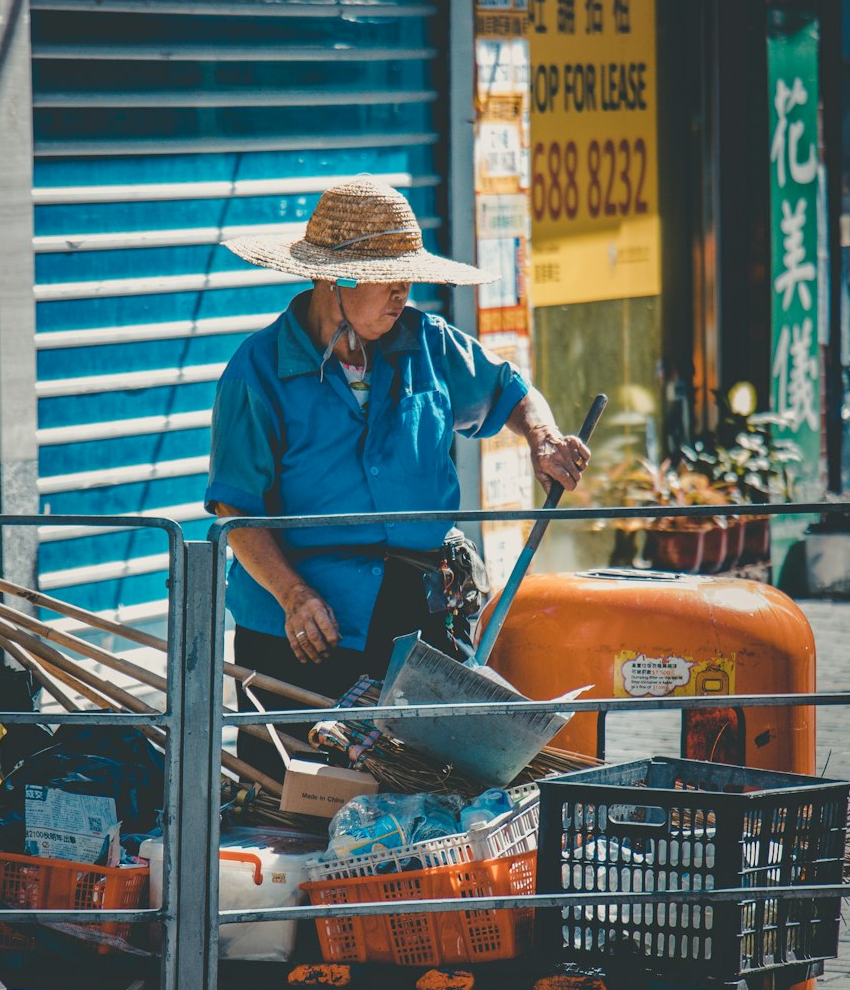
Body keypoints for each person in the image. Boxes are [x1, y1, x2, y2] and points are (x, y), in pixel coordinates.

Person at [204, 176, 590, 767]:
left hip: (413, 621)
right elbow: (238, 511)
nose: (403, 295)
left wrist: (541, 437)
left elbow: (511, 392)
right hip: (304, 629)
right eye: (393, 279)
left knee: (415, 799)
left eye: (410, 279)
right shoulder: (255, 372)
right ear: (338, 279)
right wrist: (294, 595)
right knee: (291, 802)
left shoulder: (426, 344)